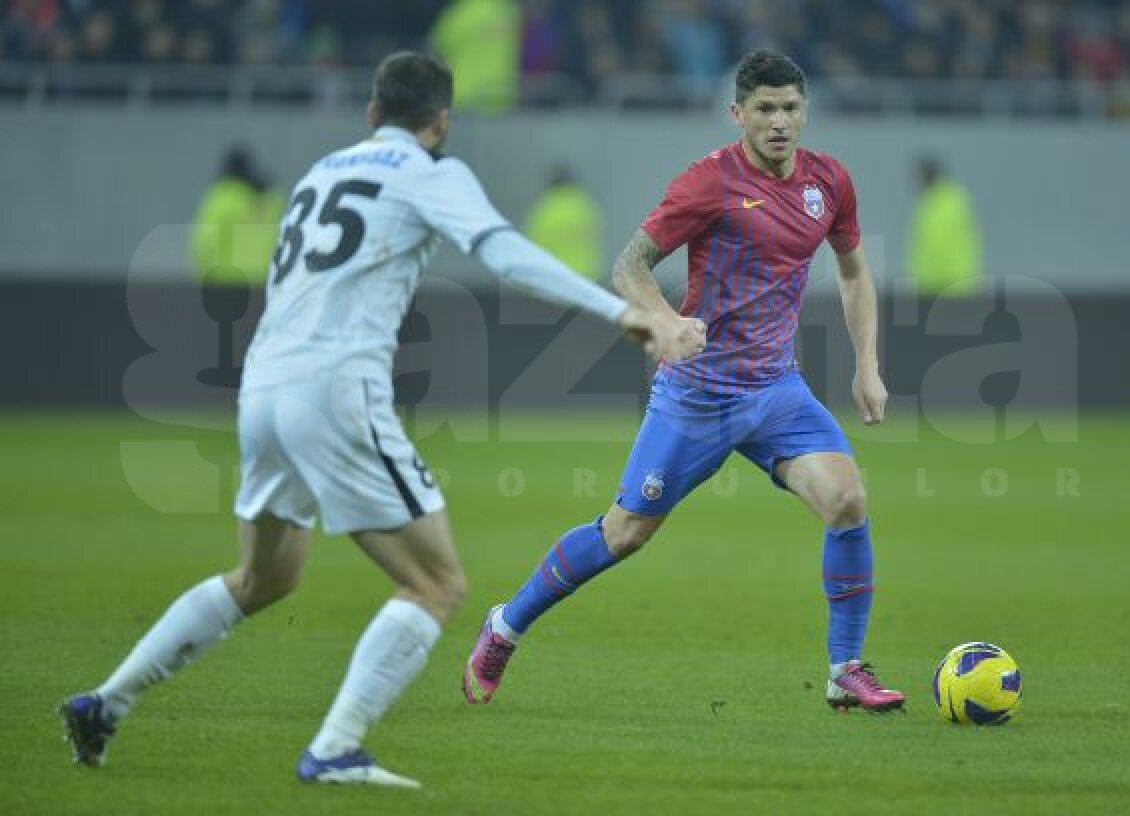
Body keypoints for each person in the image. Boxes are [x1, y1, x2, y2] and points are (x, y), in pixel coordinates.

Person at [60, 51, 704, 788]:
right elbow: (503, 253)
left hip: (262, 391)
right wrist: (622, 313)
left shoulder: (321, 172)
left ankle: (105, 701)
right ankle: (334, 747)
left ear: (372, 114)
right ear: (442, 122)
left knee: (263, 577)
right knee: (437, 584)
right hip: (336, 392)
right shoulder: (431, 172)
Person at [463, 49, 906, 713]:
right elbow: (629, 265)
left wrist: (866, 363)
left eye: (789, 107)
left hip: (776, 390)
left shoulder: (830, 183)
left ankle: (845, 669)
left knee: (846, 501)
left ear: (805, 110)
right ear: (738, 114)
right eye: (764, 109)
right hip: (697, 394)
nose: (779, 121)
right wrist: (666, 321)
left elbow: (852, 272)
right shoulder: (709, 183)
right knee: (625, 534)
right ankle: (505, 625)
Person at [190, 146, 284, 285]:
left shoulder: (221, 199)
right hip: (265, 281)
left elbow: (204, 242)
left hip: (226, 282)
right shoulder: (273, 202)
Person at [907, 156, 982, 297]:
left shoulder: (945, 202)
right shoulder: (934, 200)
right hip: (936, 283)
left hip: (951, 283)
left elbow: (936, 242)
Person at [524, 164, 604, 280]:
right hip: (588, 276)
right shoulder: (586, 207)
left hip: (556, 276)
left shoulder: (544, 210)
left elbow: (532, 244)